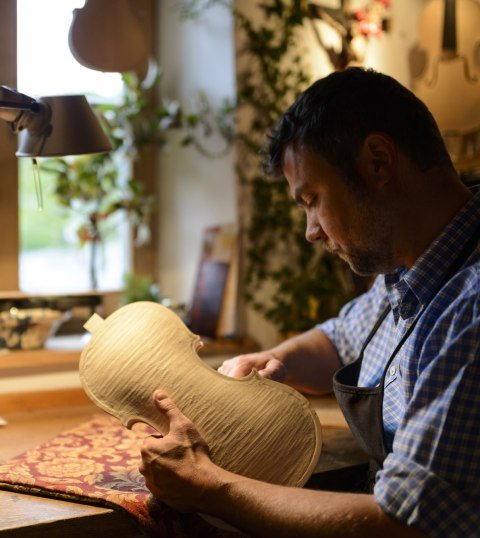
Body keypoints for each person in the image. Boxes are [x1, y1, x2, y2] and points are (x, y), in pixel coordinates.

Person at [139, 67, 480, 537]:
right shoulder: (408, 268)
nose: (311, 230)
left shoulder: (470, 307)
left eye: (312, 198)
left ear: (379, 162)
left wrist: (208, 486)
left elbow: (405, 525)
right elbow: (340, 341)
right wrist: (272, 360)